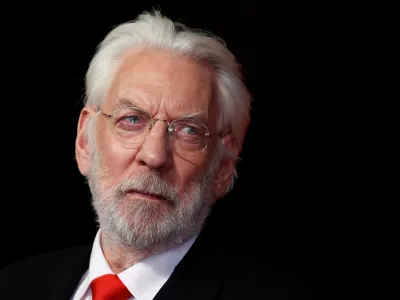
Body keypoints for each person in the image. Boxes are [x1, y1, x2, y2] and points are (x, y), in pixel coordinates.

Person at [0, 9, 317, 300]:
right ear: (84, 140)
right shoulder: (15, 284)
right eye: (132, 120)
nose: (153, 156)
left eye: (188, 131)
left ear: (222, 167)